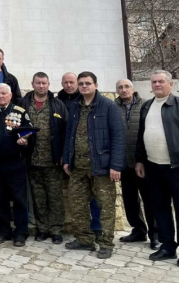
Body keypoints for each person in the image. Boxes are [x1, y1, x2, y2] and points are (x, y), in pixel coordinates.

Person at [135, 70, 179, 268]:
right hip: (153, 167)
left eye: (161, 81)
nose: (157, 84)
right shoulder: (147, 106)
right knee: (160, 209)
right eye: (154, 82)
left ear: (171, 84)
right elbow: (141, 135)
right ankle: (167, 247)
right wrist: (140, 160)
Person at [62, 71, 124, 259]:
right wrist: (67, 159)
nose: (84, 86)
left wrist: (116, 165)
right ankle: (84, 239)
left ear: (96, 85)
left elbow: (118, 136)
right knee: (77, 204)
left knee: (106, 207)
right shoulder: (75, 106)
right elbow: (70, 135)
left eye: (87, 83)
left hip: (101, 167)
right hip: (78, 167)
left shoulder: (108, 106)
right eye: (81, 83)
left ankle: (106, 243)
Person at [18, 72, 67, 244]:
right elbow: (15, 126)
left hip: (52, 160)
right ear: (32, 84)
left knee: (55, 197)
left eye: (44, 83)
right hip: (32, 159)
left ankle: (56, 230)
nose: (41, 86)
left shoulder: (57, 105)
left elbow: (66, 131)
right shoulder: (23, 104)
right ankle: (42, 229)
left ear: (48, 84)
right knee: (38, 197)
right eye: (38, 83)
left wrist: (64, 155)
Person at [114, 79, 159, 250]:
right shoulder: (113, 107)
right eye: (120, 87)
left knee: (150, 199)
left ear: (133, 89)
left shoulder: (146, 106)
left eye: (127, 86)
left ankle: (156, 235)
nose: (124, 90)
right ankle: (138, 230)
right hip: (124, 163)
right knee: (130, 200)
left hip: (144, 162)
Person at [58, 71, 102, 239]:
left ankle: (97, 228)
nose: (69, 85)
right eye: (66, 82)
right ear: (62, 84)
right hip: (72, 157)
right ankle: (83, 235)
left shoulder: (90, 101)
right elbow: (64, 133)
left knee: (96, 196)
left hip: (93, 158)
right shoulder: (58, 102)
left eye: (72, 82)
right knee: (77, 198)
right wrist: (65, 156)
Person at [0, 83, 31, 247]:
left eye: (3, 93)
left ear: (10, 95)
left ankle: (20, 233)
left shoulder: (19, 112)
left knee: (19, 200)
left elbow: (29, 131)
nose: (1, 96)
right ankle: (2, 231)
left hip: (15, 163)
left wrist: (24, 140)